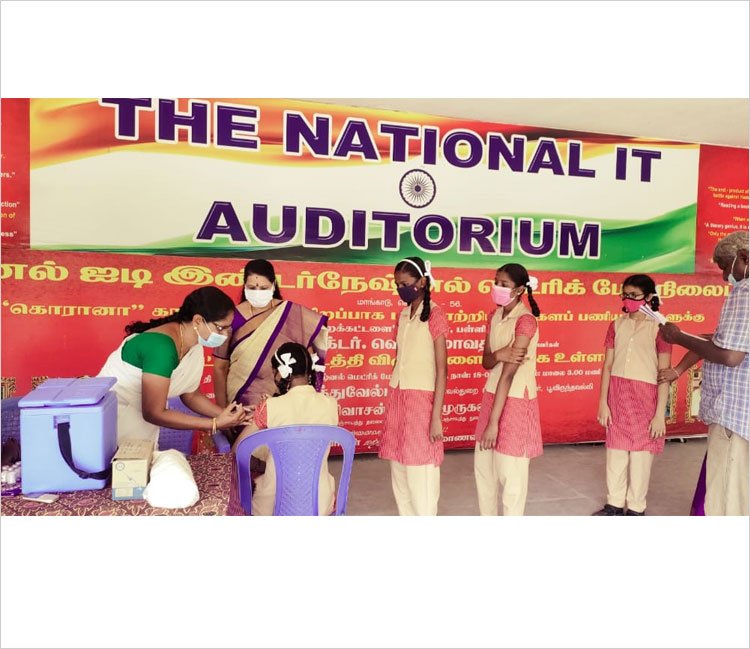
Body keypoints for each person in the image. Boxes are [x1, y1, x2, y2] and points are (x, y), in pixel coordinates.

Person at [658, 231, 748, 516]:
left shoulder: (745, 292)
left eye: (725, 267)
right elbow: (722, 341)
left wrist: (677, 336)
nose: (724, 276)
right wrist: (682, 359)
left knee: (727, 495)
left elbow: (730, 356)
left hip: (735, 415)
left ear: (744, 258)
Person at [98, 286, 249, 447]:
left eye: (228, 328)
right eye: (221, 328)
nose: (225, 334)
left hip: (140, 427)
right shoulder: (161, 348)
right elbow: (153, 413)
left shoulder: (194, 345)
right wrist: (214, 424)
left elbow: (191, 395)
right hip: (112, 422)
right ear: (198, 321)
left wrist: (232, 415)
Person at [212, 259, 328, 442]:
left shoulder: (291, 314)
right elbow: (220, 367)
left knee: (281, 448)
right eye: (252, 287)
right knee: (245, 449)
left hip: (283, 402)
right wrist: (222, 412)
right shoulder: (231, 316)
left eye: (264, 288)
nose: (258, 292)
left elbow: (307, 359)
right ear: (244, 287)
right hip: (241, 402)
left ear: (273, 285)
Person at [592, 274, 672, 516]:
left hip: (645, 397)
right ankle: (614, 504)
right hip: (618, 394)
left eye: (634, 295)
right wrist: (603, 402)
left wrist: (659, 415)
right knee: (615, 452)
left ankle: (636, 508)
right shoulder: (616, 325)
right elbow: (607, 366)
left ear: (648, 297)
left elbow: (664, 374)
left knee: (641, 455)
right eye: (625, 295)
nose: (628, 299)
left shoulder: (661, 328)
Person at [232, 342, 338, 516]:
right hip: (319, 503)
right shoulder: (331, 404)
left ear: (279, 373)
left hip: (273, 506)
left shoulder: (270, 406)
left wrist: (264, 411)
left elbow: (238, 449)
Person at [378, 257, 449, 516]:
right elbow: (400, 358)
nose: (401, 289)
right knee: (399, 470)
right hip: (399, 397)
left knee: (421, 474)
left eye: (405, 284)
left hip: (422, 402)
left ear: (422, 282)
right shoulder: (403, 315)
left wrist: (436, 417)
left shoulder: (436, 315)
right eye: (397, 285)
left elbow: (442, 370)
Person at [475, 263, 542, 516]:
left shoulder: (526, 321)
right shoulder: (494, 316)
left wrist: (494, 423)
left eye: (504, 284)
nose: (497, 288)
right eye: (496, 282)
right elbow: (486, 361)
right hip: (492, 395)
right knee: (484, 471)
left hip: (515, 400)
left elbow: (508, 375)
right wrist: (499, 354)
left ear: (520, 290)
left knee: (511, 475)